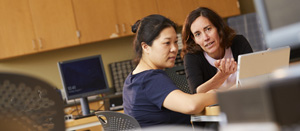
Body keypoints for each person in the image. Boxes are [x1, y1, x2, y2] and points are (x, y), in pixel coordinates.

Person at [122, 14, 217, 128]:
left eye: (176, 42)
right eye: (167, 43)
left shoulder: (132, 79)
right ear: (146, 47)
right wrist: (222, 94)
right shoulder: (150, 78)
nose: (174, 49)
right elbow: (190, 105)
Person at [181, 7, 253, 94]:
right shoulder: (192, 57)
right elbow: (197, 94)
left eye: (208, 29)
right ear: (194, 39)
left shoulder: (238, 42)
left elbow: (253, 78)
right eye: (198, 34)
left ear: (218, 28)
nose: (205, 38)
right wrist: (222, 75)